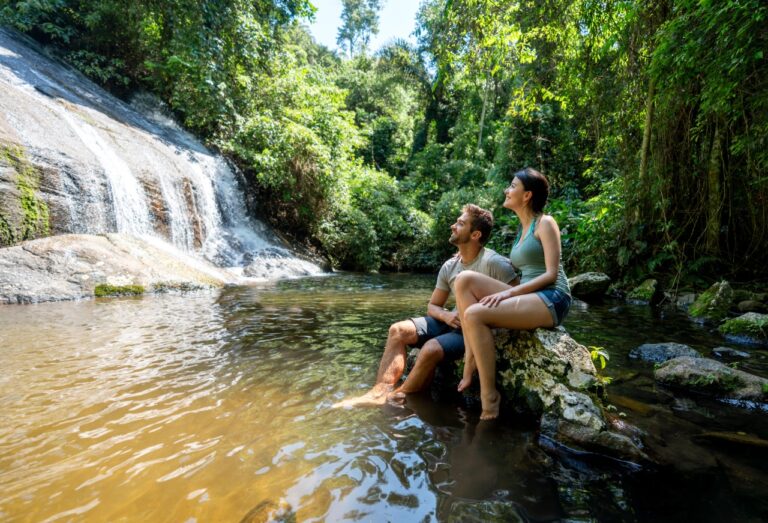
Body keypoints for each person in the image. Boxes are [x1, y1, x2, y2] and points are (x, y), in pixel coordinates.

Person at [334, 204, 517, 408]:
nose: (452, 226)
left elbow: (519, 298)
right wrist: (446, 316)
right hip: (453, 321)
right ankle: (379, 391)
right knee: (397, 330)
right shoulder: (450, 266)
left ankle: (398, 395)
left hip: (474, 329)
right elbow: (433, 306)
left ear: (475, 234)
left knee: (429, 349)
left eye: (460, 223)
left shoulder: (494, 263)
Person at [454, 168, 571, 420]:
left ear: (527, 195)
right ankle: (469, 361)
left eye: (512, 185)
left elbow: (550, 274)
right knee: (463, 280)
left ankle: (489, 398)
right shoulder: (522, 230)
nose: (507, 190)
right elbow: (522, 267)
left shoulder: (545, 223)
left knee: (475, 314)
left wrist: (508, 295)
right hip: (530, 295)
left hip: (553, 297)